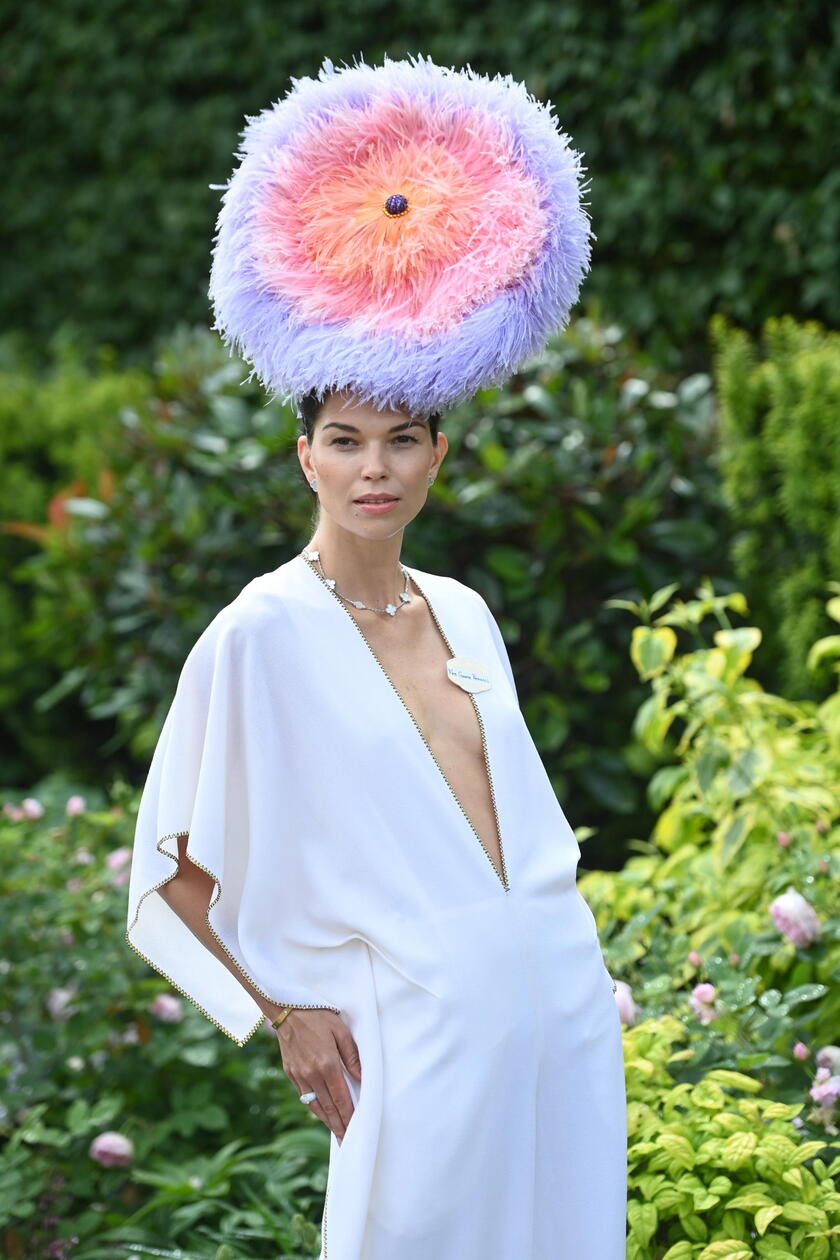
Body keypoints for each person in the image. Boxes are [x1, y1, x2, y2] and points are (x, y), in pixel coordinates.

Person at [126, 54, 627, 1259]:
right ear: (307, 457)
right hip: (414, 1040)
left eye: (403, 439)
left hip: (560, 1023)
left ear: (437, 456)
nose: (375, 469)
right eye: (345, 440)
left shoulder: (465, 610)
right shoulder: (260, 633)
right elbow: (171, 871)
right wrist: (289, 1014)